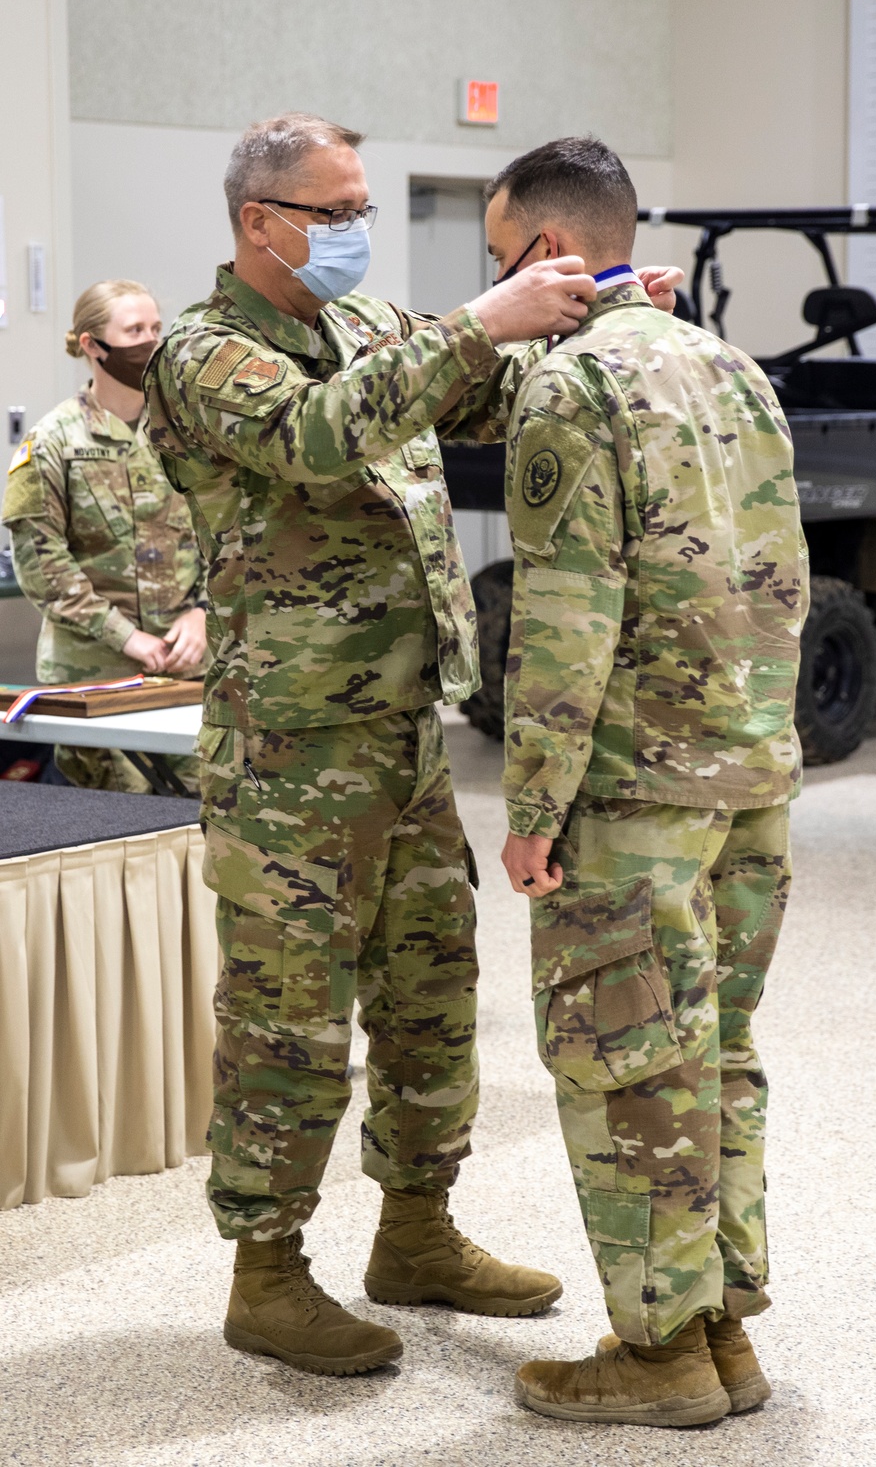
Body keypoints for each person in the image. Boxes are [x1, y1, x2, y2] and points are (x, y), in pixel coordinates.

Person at [144, 111, 683, 1379]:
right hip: (289, 755)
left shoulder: (379, 326)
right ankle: (265, 1271)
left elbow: (495, 394)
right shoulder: (201, 351)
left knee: (432, 1003)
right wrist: (478, 319)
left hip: (405, 735)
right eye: (333, 212)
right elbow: (310, 438)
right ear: (258, 221)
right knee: (288, 1020)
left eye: (360, 208)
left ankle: (418, 1233)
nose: (355, 232)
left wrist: (600, 306)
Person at [488, 137, 808, 1428]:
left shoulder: (572, 387)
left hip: (629, 789)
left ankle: (658, 1353)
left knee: (628, 1060)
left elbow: (565, 617)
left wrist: (528, 812)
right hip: (751, 776)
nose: (497, 286)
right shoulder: (732, 364)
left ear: (554, 255)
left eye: (503, 259)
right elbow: (779, 578)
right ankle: (723, 1331)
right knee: (717, 1049)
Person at [1, 280, 207, 793]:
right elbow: (41, 565)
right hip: (94, 677)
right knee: (122, 828)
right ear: (92, 345)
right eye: (135, 330)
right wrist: (125, 635)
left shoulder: (188, 434)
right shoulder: (53, 442)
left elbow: (230, 535)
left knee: (207, 821)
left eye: (157, 328)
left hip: (188, 668)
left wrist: (203, 612)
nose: (151, 342)